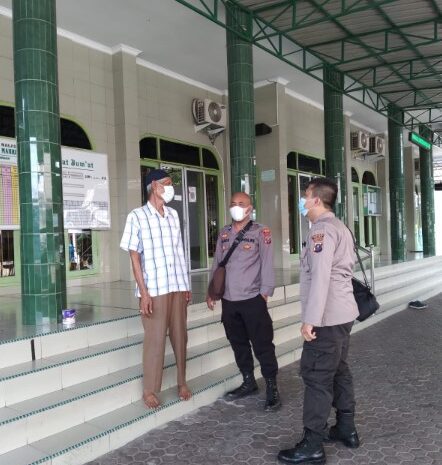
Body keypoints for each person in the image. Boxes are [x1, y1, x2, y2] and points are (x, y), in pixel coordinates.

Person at [278, 178, 360, 465]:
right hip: (343, 314)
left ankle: (312, 444)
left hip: (326, 318)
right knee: (338, 371)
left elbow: (321, 278)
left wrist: (310, 320)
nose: (302, 201)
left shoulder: (321, 231)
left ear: (315, 199)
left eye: (304, 196)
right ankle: (346, 429)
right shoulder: (340, 226)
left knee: (316, 376)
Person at [120, 169, 192, 409]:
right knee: (155, 340)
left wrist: (186, 285)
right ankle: (150, 389)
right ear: (154, 185)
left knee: (180, 336)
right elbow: (134, 258)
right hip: (155, 289)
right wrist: (144, 293)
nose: (171, 188)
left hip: (176, 286)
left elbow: (179, 252)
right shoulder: (137, 216)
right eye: (168, 183)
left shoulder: (172, 215)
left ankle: (182, 382)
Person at [206, 192, 281, 412]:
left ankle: (272, 387)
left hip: (252, 299)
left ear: (249, 209)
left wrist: (264, 294)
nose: (236, 207)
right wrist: (212, 292)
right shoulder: (224, 233)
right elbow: (218, 264)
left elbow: (267, 263)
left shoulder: (261, 232)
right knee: (237, 342)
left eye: (241, 204)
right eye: (233, 204)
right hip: (229, 300)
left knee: (263, 345)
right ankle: (249, 381)